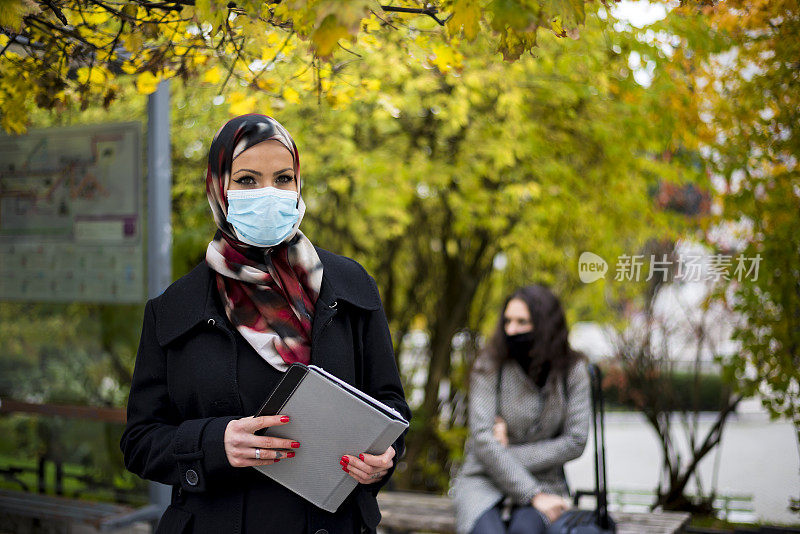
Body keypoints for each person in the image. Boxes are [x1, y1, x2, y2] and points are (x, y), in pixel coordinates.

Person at [120, 114, 411, 534]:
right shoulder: (175, 308)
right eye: (247, 180)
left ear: (298, 186)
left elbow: (391, 406)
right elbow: (140, 442)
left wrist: (384, 459)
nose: (268, 193)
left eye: (283, 177)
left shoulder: (350, 285)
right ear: (219, 187)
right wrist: (213, 443)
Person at [452, 285, 591, 534]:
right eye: (507, 321)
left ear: (545, 326)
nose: (511, 330)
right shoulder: (490, 364)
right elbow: (483, 439)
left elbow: (576, 440)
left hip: (545, 479)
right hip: (484, 482)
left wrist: (505, 454)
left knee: (525, 530)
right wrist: (532, 494)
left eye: (522, 322)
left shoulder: (573, 370)